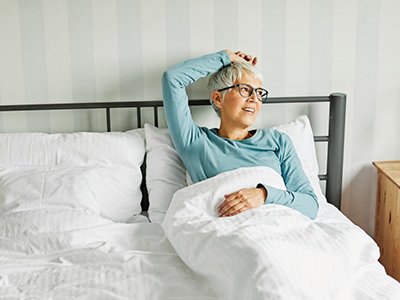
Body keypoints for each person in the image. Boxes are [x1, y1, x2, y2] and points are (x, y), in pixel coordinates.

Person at [162, 50, 319, 219]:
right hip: (227, 228)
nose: (254, 99)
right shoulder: (195, 141)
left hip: (276, 224)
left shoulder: (278, 141)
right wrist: (226, 57)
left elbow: (310, 205)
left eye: (259, 93)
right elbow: (172, 79)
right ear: (217, 98)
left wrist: (263, 195)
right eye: (245, 89)